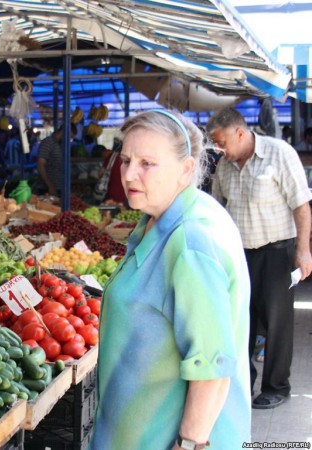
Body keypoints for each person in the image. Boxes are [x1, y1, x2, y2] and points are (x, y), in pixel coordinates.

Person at [90, 110, 251, 450]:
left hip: (161, 438)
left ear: (186, 169)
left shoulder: (190, 241)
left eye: (147, 163)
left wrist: (190, 443)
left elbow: (213, 365)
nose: (130, 174)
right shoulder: (169, 216)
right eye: (126, 160)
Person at [206, 107, 312, 409]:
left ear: (240, 132)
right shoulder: (225, 166)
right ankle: (242, 384)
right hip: (240, 255)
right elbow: (217, 208)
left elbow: (302, 206)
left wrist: (303, 251)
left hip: (278, 252)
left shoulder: (279, 154)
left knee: (277, 323)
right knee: (242, 321)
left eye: (222, 141)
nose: (219, 149)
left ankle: (277, 386)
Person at [36, 123, 77, 196]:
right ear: (63, 131)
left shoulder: (63, 145)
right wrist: (50, 186)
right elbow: (40, 165)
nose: (70, 139)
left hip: (60, 189)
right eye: (70, 136)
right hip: (48, 190)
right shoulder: (48, 142)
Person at [98, 138, 127, 206]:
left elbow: (100, 173)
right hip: (125, 193)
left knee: (108, 213)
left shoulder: (112, 157)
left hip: (110, 192)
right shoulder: (130, 158)